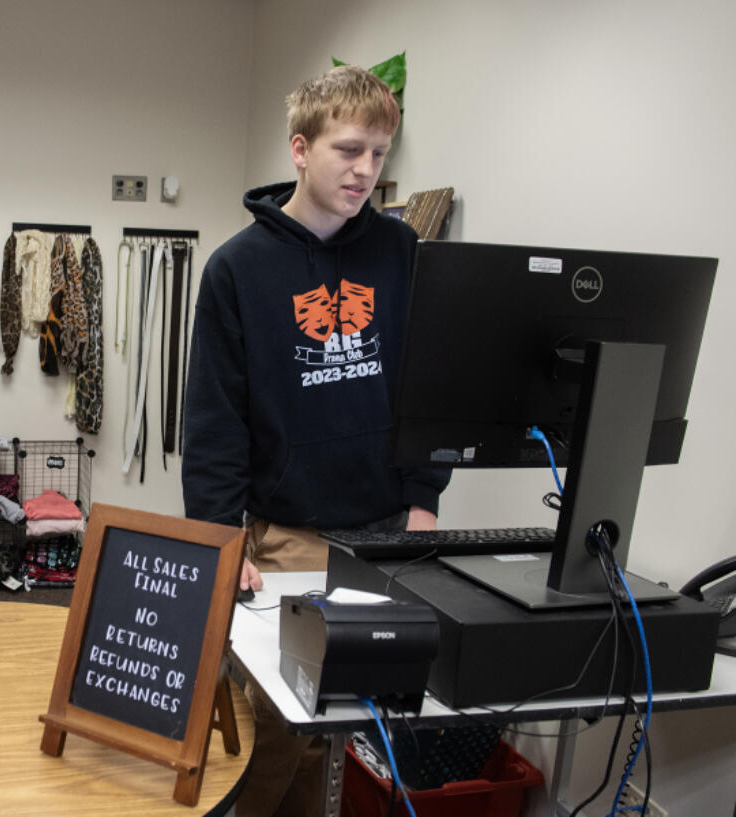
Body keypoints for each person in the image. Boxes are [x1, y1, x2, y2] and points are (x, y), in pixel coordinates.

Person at [181, 67, 450, 816]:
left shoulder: (401, 252)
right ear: (300, 149)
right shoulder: (237, 269)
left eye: (380, 154)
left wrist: (424, 498)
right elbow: (212, 419)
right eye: (350, 149)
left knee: (348, 724)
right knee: (280, 728)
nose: (366, 170)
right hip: (288, 536)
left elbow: (430, 383)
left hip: (388, 531)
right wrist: (218, 536)